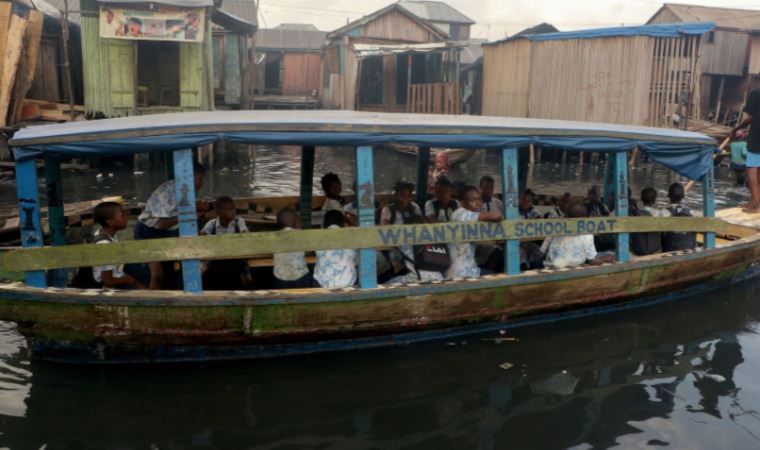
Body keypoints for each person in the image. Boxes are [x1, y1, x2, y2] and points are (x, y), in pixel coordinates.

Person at [134, 162, 209, 289]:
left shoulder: (185, 191)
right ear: (195, 178)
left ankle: (168, 301)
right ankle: (150, 304)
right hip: (148, 232)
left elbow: (181, 217)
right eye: (200, 179)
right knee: (157, 274)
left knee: (168, 274)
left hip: (164, 234)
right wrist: (192, 210)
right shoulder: (171, 190)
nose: (200, 184)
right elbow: (161, 224)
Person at [447, 186, 503, 279]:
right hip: (462, 273)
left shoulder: (468, 215)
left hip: (469, 269)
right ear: (463, 203)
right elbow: (496, 215)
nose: (479, 203)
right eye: (473, 200)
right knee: (497, 278)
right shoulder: (461, 214)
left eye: (480, 199)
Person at [540, 202, 615, 269]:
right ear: (583, 219)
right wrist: (604, 258)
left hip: (553, 265)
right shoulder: (587, 234)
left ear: (566, 216)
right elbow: (592, 261)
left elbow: (542, 250)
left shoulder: (555, 227)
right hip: (574, 267)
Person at [200, 196, 253, 290]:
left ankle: (249, 291)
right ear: (218, 212)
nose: (232, 212)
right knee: (203, 269)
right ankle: (201, 289)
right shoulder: (212, 223)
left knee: (246, 276)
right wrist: (204, 235)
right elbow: (203, 236)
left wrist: (244, 233)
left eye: (233, 208)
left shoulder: (238, 221)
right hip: (215, 254)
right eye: (227, 209)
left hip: (237, 254)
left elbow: (244, 232)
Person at [92, 202, 146, 289]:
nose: (126, 218)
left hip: (117, 273)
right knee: (143, 273)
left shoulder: (103, 233)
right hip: (110, 287)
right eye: (122, 215)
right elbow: (108, 281)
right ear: (110, 222)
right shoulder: (105, 245)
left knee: (145, 266)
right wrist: (131, 281)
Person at [380, 181, 425, 277]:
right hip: (395, 245)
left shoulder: (414, 207)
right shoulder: (388, 209)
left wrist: (412, 212)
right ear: (395, 195)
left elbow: (423, 224)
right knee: (397, 262)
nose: (405, 199)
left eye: (409, 196)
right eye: (402, 195)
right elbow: (384, 228)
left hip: (413, 243)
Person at [729, 87, 760, 213]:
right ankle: (756, 202)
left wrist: (735, 129)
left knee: (751, 171)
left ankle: (756, 205)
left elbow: (750, 118)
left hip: (757, 138)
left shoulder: (756, 93)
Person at [314, 210, 357, 288]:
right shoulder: (351, 237)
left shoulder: (318, 239)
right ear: (343, 224)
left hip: (323, 285)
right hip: (349, 283)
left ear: (324, 224)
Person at [272, 208, 313, 289]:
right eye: (299, 220)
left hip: (280, 280)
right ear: (295, 222)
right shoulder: (301, 235)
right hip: (301, 279)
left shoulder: (275, 237)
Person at [661, 182, 697, 252]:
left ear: (668, 195)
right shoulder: (691, 212)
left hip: (670, 249)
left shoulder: (663, 213)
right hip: (690, 248)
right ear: (683, 196)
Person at [629, 188, 662, 256]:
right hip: (654, 248)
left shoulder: (636, 213)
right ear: (654, 200)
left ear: (641, 198)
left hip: (639, 247)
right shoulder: (658, 214)